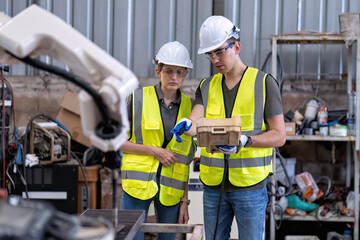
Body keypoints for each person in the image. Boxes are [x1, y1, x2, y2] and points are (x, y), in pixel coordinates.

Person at [171, 16, 286, 240]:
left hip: (250, 188)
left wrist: (246, 141)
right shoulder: (206, 86)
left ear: (236, 46)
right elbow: (196, 122)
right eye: (210, 54)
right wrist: (186, 125)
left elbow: (279, 135)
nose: (215, 59)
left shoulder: (264, 83)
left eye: (219, 51)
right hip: (214, 187)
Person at [120, 41, 195, 240]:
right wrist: (155, 151)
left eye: (180, 72)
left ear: (186, 73)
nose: (174, 77)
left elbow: (186, 159)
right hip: (136, 188)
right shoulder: (137, 99)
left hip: (171, 190)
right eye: (169, 71)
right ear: (158, 70)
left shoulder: (191, 108)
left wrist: (184, 201)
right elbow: (117, 142)